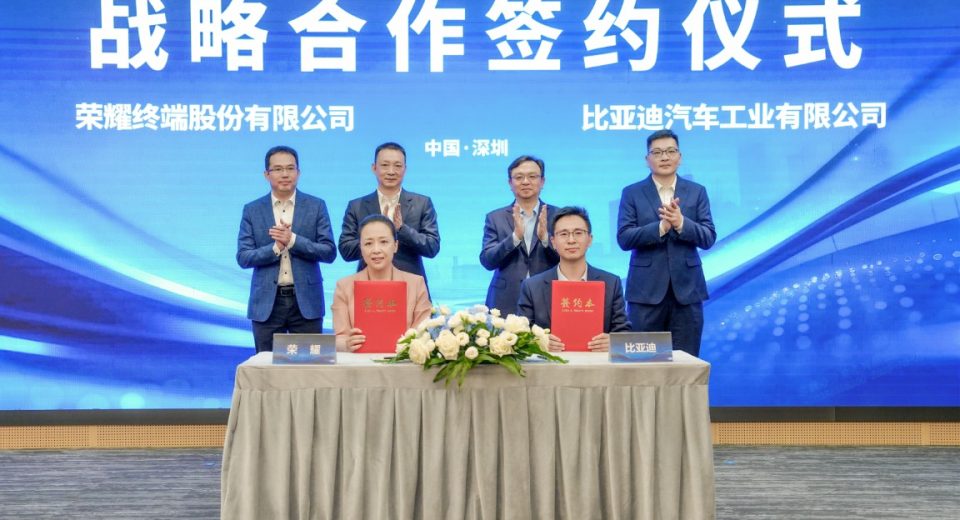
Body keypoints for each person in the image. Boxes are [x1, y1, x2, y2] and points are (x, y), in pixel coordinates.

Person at [616, 129, 716, 357]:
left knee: (686, 362)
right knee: (643, 362)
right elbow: (624, 237)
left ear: (679, 157)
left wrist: (681, 223)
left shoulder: (697, 192)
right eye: (657, 152)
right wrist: (661, 228)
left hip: (687, 292)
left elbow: (708, 237)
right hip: (645, 293)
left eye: (670, 151)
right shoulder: (632, 193)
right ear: (647, 159)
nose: (664, 157)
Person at [237, 145, 337, 352]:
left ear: (298, 172)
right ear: (266, 174)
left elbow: (329, 252)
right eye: (278, 169)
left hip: (306, 303)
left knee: (310, 365)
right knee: (265, 366)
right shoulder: (252, 210)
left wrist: (293, 241)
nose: (285, 174)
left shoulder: (316, 206)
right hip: (266, 304)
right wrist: (275, 248)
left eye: (290, 168)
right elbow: (244, 257)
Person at [518, 206, 630, 352]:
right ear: (553, 241)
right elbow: (522, 334)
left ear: (590, 239)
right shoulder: (532, 287)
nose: (571, 240)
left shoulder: (611, 283)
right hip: (551, 364)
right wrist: (539, 342)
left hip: (597, 363)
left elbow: (624, 332)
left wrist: (613, 342)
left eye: (578, 233)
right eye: (564, 234)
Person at [339, 142, 440, 284]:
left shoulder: (422, 203)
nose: (391, 171)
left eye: (397, 166)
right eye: (385, 165)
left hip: (411, 286)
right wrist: (376, 237)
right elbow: (346, 251)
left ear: (405, 169)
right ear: (374, 168)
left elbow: (432, 247)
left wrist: (402, 229)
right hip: (368, 286)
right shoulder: (356, 206)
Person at [331, 215, 432, 352]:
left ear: (395, 246)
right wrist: (347, 343)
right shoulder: (344, 286)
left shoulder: (416, 284)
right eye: (368, 243)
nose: (376, 250)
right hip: (359, 361)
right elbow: (339, 338)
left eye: (383, 242)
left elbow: (423, 333)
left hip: (403, 361)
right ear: (360, 247)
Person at [479, 155, 559, 315]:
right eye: (519, 177)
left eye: (532, 176)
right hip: (505, 301)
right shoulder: (495, 217)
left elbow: (568, 258)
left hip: (548, 296)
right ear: (510, 183)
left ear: (542, 182)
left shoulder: (559, 215)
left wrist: (545, 239)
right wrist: (514, 238)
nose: (525, 182)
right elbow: (487, 261)